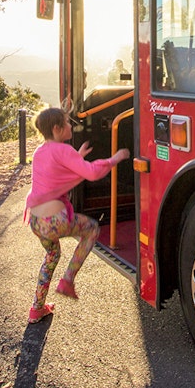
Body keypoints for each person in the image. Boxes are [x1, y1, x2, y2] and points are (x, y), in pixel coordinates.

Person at [24, 107, 130, 323]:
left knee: (52, 257)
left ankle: (37, 308)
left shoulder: (40, 151)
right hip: (55, 221)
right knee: (91, 229)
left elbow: (56, 172)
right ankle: (68, 280)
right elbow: (91, 173)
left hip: (36, 221)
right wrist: (114, 159)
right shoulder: (64, 151)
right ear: (57, 128)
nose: (71, 125)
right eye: (67, 122)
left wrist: (77, 156)